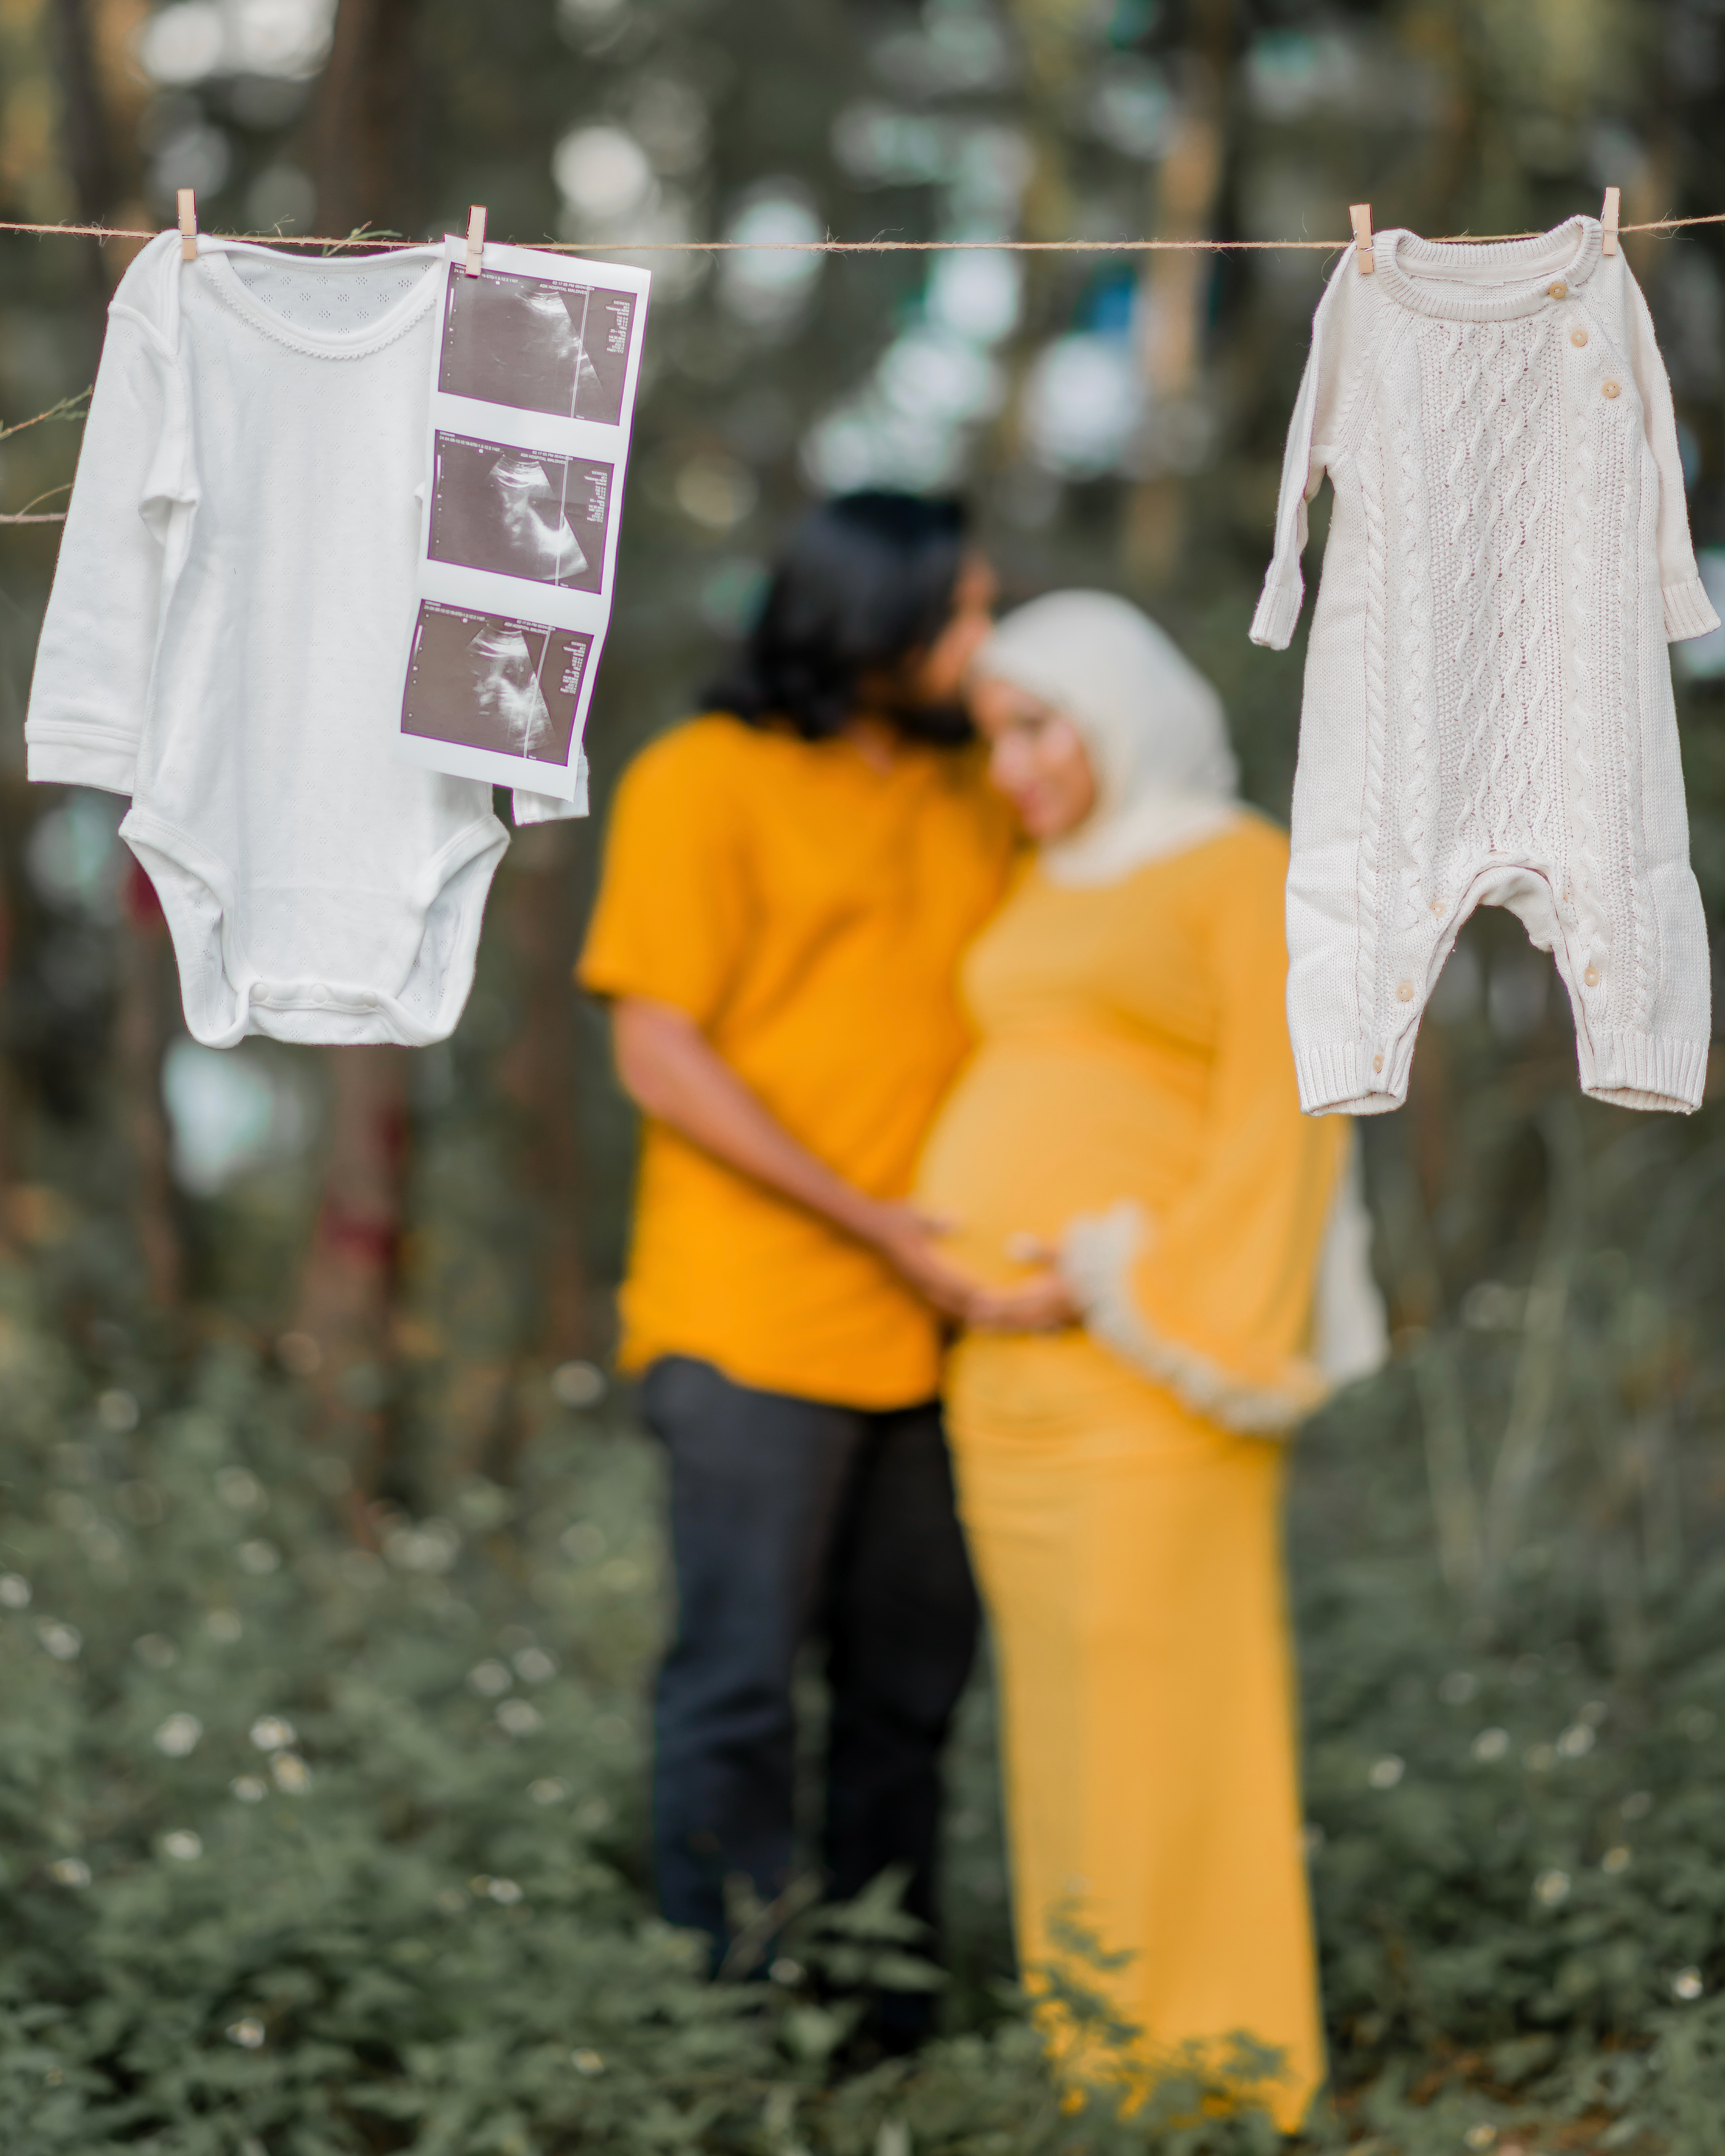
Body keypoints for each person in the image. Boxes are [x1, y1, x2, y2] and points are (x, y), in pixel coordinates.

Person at [917, 590, 1383, 2129]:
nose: (1014, 770)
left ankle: (1223, 2079)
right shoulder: (1041, 879)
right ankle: (1101, 2068)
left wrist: (1132, 1285)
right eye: (995, 740)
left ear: (1121, 709)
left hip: (1154, 1383)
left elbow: (1288, 1112)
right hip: (1005, 1393)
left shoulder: (1237, 868)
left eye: (1038, 729)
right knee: (1063, 1737)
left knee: (1172, 1725)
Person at [576, 493, 1016, 2027]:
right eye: (963, 611)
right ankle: (734, 2030)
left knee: (910, 1700)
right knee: (739, 1688)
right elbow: (659, 1049)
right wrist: (875, 1218)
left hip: (952, 1326)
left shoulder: (984, 787)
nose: (987, 640)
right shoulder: (704, 778)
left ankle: (888, 2034)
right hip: (751, 1319)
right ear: (871, 615)